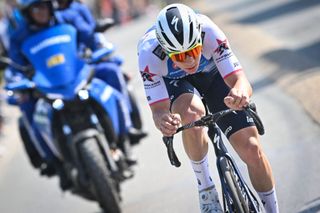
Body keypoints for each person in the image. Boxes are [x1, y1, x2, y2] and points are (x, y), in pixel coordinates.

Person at [137, 3, 279, 213]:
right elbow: (159, 110)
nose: (191, 59)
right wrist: (164, 121)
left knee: (252, 148)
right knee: (191, 115)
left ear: (199, 39)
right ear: (167, 51)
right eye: (180, 56)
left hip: (213, 75)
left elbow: (240, 81)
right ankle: (206, 190)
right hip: (176, 83)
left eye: (194, 50)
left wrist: (239, 93)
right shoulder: (149, 54)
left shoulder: (209, 31)